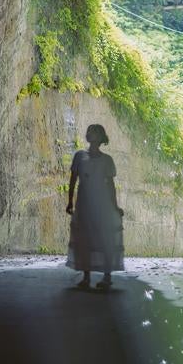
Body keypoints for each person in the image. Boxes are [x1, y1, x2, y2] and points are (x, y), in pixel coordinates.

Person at [65, 123, 124, 290]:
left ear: (101, 137)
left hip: (102, 204)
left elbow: (111, 186)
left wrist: (116, 206)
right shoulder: (79, 156)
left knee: (105, 239)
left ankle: (107, 276)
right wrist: (70, 201)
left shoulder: (107, 160)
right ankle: (86, 276)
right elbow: (73, 180)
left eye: (95, 132)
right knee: (84, 239)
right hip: (84, 203)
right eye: (90, 131)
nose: (91, 134)